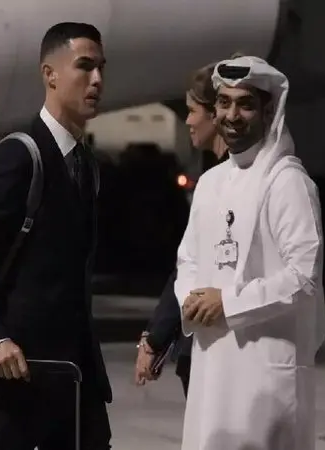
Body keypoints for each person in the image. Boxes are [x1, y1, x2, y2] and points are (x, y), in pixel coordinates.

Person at [0, 22, 112, 450]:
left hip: (74, 383)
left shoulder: (86, 164)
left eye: (101, 68)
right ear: (50, 74)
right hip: (14, 386)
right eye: (84, 66)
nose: (97, 80)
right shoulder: (17, 157)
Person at [174, 55, 325, 449]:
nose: (232, 115)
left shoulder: (287, 182)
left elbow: (303, 278)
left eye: (245, 104)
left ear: (268, 112)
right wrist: (191, 298)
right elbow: (188, 259)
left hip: (265, 376)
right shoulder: (210, 182)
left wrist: (228, 303)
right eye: (224, 103)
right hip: (212, 367)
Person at [134, 61, 228, 396]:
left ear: (215, 115)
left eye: (192, 111)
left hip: (219, 353)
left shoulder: (227, 184)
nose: (187, 121)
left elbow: (197, 267)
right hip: (202, 348)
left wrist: (155, 338)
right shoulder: (214, 180)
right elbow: (189, 264)